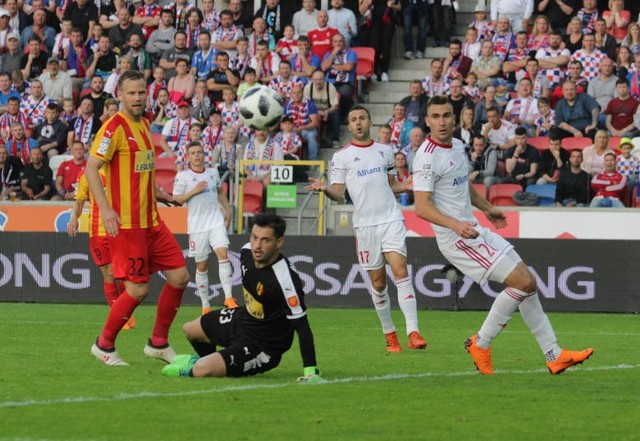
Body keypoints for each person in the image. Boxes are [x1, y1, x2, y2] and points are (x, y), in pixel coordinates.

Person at [411, 94, 594, 375]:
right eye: (435, 117)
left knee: (528, 282)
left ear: (455, 117)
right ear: (427, 121)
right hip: (457, 239)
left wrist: (488, 208)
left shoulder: (457, 145)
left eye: (446, 115)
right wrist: (455, 225)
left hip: (474, 229)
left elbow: (463, 188)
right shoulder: (425, 158)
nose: (441, 122)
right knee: (522, 282)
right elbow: (422, 207)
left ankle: (554, 354)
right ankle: (481, 343)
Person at [86, 70, 189, 366]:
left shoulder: (144, 124)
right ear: (120, 95)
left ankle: (158, 343)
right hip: (128, 226)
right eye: (131, 92)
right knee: (138, 289)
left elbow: (142, 172)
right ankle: (104, 345)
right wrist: (106, 210)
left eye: (141, 92)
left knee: (180, 276)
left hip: (152, 222)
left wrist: (161, 194)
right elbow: (92, 169)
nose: (137, 97)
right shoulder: (112, 128)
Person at [305, 105, 427, 353]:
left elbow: (391, 184)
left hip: (391, 218)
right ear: (349, 126)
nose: (358, 122)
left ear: (370, 122)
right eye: (353, 119)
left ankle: (413, 332)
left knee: (400, 270)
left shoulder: (385, 151)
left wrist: (407, 186)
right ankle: (389, 333)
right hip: (365, 225)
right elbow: (338, 195)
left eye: (362, 118)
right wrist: (325, 188)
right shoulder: (341, 157)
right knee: (379, 283)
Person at [162, 213, 322, 382]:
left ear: (279, 242)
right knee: (190, 329)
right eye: (254, 237)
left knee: (201, 370)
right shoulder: (247, 251)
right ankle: (212, 362)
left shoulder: (285, 281)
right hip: (242, 320)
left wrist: (310, 371)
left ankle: (205, 366)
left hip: (263, 346)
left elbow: (302, 327)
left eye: (265, 240)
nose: (257, 246)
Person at [172, 142, 238, 315]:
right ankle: (205, 305)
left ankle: (229, 298)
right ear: (188, 157)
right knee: (202, 266)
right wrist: (194, 191)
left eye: (199, 152)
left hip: (215, 220)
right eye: (193, 153)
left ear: (204, 155)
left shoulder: (212, 172)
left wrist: (228, 209)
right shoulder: (183, 176)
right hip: (197, 226)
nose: (197, 155)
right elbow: (176, 199)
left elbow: (219, 192)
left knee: (223, 254)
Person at [68, 170, 136, 330]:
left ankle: (125, 310)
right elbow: (79, 202)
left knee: (125, 273)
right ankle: (120, 316)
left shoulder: (120, 169)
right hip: (98, 232)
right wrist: (73, 219)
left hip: (121, 229)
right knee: (110, 274)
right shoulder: (86, 175)